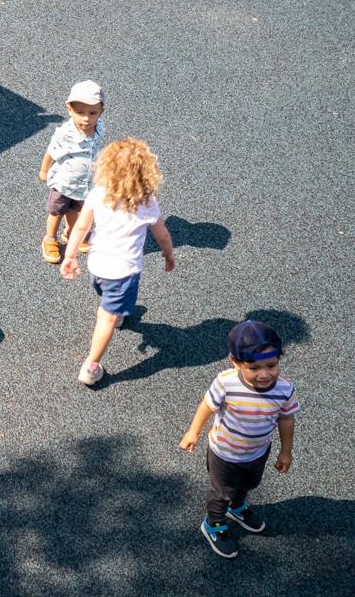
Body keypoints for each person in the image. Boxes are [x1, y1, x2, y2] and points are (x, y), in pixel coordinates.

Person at [178, 320, 301, 559]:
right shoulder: (227, 383)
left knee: (248, 485)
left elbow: (286, 420)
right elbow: (207, 406)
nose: (264, 374)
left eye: (271, 365)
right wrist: (193, 432)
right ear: (236, 363)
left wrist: (286, 451)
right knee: (221, 492)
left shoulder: (285, 389)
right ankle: (213, 523)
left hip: (257, 451)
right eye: (254, 368)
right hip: (224, 453)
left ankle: (237, 507)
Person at [59, 137, 176, 385]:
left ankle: (115, 311)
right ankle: (91, 366)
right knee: (106, 318)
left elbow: (81, 227)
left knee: (106, 300)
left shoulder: (98, 194)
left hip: (97, 265)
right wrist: (168, 254)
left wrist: (70, 256)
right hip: (123, 272)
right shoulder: (146, 203)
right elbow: (162, 234)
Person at [37, 80, 104, 264]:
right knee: (57, 211)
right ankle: (50, 239)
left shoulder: (99, 128)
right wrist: (44, 170)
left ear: (101, 112)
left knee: (77, 210)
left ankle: (72, 233)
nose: (86, 119)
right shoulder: (66, 133)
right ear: (69, 110)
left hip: (84, 182)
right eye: (80, 112)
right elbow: (51, 150)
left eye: (93, 113)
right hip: (64, 182)